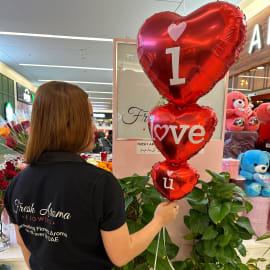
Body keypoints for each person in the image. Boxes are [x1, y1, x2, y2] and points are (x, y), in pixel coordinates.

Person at [4, 81, 179, 270]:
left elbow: (25, 246)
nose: (94, 128)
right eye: (89, 117)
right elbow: (121, 255)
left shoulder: (18, 182)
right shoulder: (100, 184)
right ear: (72, 124)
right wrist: (159, 220)